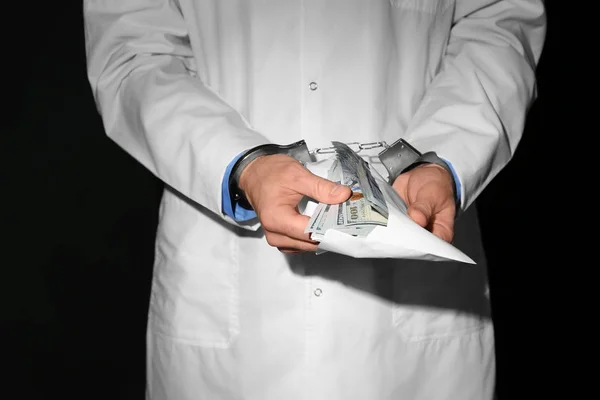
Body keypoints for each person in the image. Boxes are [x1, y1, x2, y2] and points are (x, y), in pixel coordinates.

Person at [83, 0, 546, 399]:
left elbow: (497, 22)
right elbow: (134, 50)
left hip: (413, 296)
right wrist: (240, 166)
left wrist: (440, 159)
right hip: (233, 295)